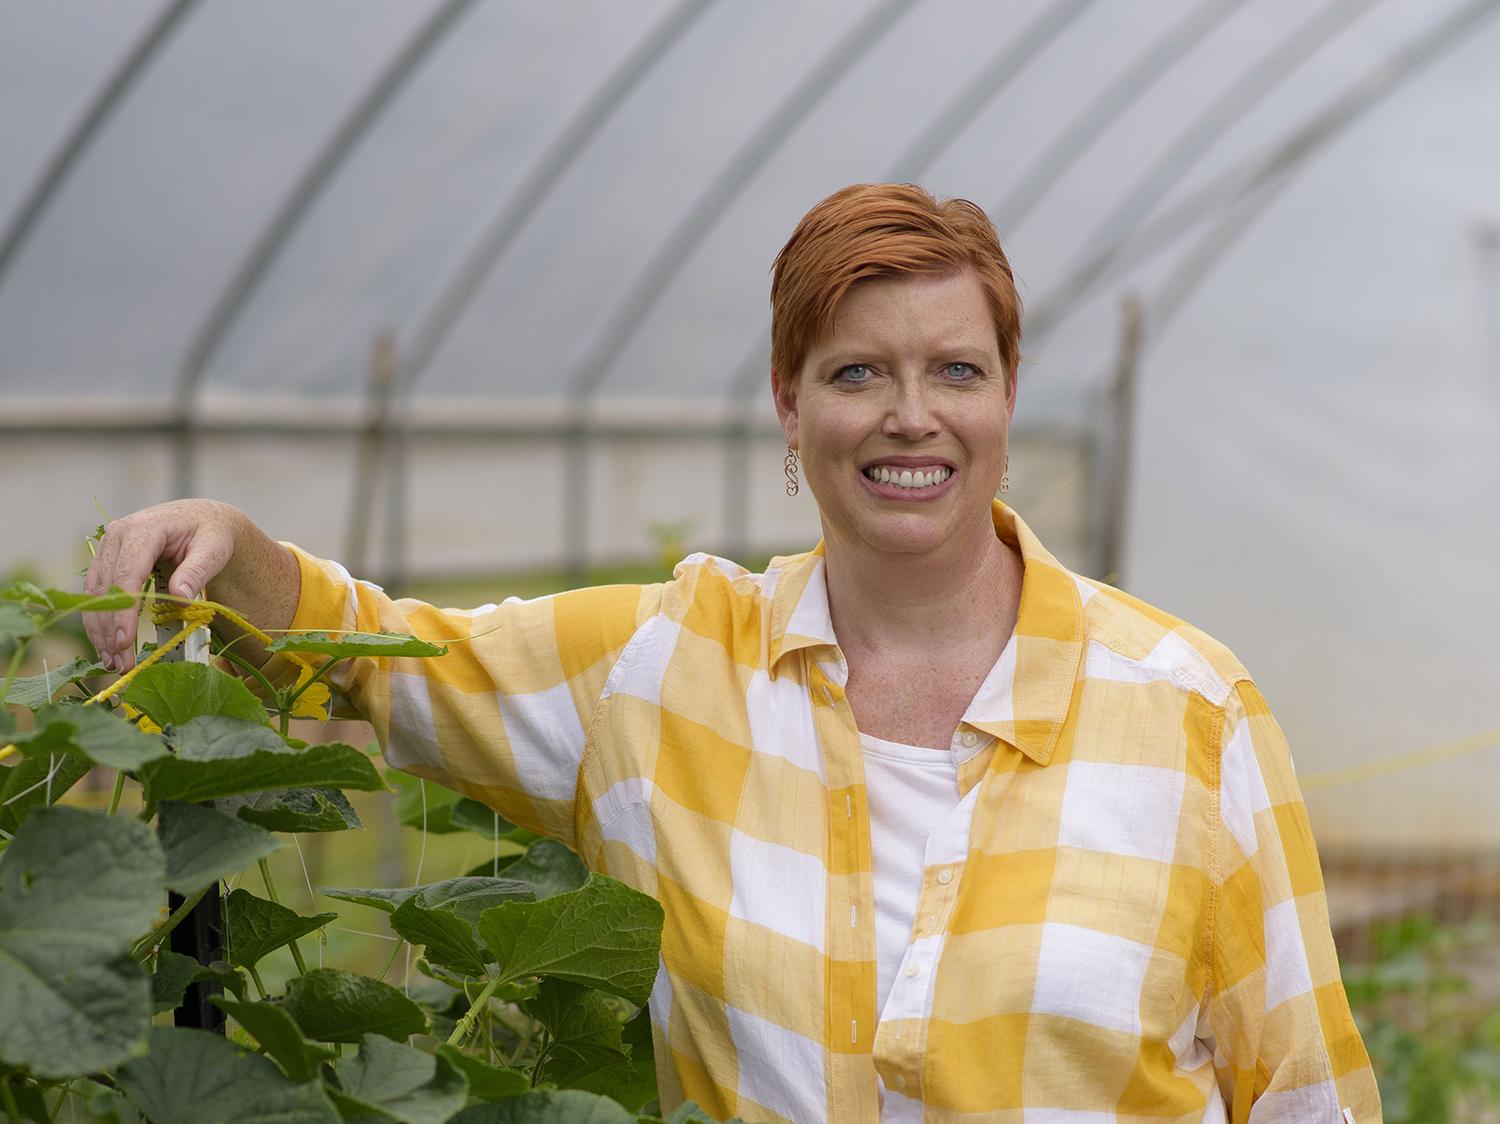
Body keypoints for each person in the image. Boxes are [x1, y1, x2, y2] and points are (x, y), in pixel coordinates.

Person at [84, 184, 1380, 1122]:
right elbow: (368, 650)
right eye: (859, 373)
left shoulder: (1189, 710)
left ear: (1009, 394)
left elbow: (1306, 1095)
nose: (912, 416)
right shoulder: (665, 670)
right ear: (788, 400)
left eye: (957, 371)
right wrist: (227, 544)